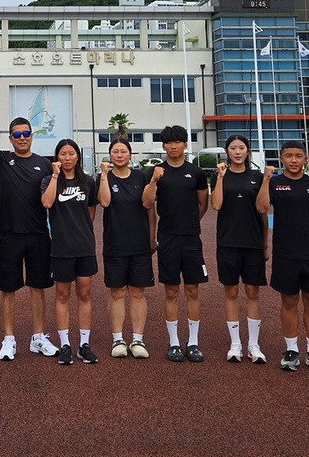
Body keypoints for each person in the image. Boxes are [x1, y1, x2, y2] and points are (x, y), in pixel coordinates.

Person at [0, 104, 59, 361]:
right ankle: (8, 339)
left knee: (38, 287)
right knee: (7, 289)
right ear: (10, 138)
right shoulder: (1, 159)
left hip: (38, 234)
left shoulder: (45, 164)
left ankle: (38, 337)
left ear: (32, 136)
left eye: (26, 133)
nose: (22, 138)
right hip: (10, 233)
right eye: (17, 134)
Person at [142, 125, 209, 362]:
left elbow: (203, 204)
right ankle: (174, 343)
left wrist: (190, 224)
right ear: (163, 146)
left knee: (192, 290)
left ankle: (193, 343)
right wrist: (154, 180)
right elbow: (147, 203)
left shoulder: (197, 172)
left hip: (191, 239)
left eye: (178, 142)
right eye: (169, 143)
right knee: (171, 292)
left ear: (185, 144)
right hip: (167, 238)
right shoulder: (156, 171)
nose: (173, 146)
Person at [268, 141, 309, 373]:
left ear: (306, 159)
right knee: (288, 301)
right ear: (281, 158)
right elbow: (262, 208)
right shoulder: (274, 184)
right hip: (285, 253)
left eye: (298, 156)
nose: (293, 160)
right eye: (288, 156)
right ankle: (292, 349)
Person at [211, 134, 269, 364]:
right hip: (227, 243)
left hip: (253, 244)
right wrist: (219, 178)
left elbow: (263, 213)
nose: (237, 151)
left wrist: (265, 245)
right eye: (233, 148)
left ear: (247, 151)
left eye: (241, 148)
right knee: (231, 292)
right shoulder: (220, 176)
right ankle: (235, 343)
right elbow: (216, 205)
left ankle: (254, 344)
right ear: (227, 151)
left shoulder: (257, 176)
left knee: (253, 293)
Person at [41, 138, 98, 366]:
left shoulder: (89, 182)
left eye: (71, 153)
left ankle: (84, 344)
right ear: (57, 157)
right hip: (61, 248)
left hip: (84, 247)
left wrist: (82, 233)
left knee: (84, 295)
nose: (67, 157)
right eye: (63, 154)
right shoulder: (48, 180)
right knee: (62, 296)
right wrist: (55, 176)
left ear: (77, 156)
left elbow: (91, 212)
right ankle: (65, 343)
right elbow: (46, 203)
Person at [98, 139, 153, 359]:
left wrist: (152, 238)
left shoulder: (142, 177)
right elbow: (104, 202)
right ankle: (117, 339)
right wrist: (103, 175)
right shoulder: (104, 178)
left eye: (123, 151)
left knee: (138, 293)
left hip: (139, 245)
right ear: (110, 155)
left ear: (130, 155)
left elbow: (149, 207)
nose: (119, 155)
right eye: (115, 151)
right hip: (115, 244)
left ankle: (138, 340)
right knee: (117, 292)